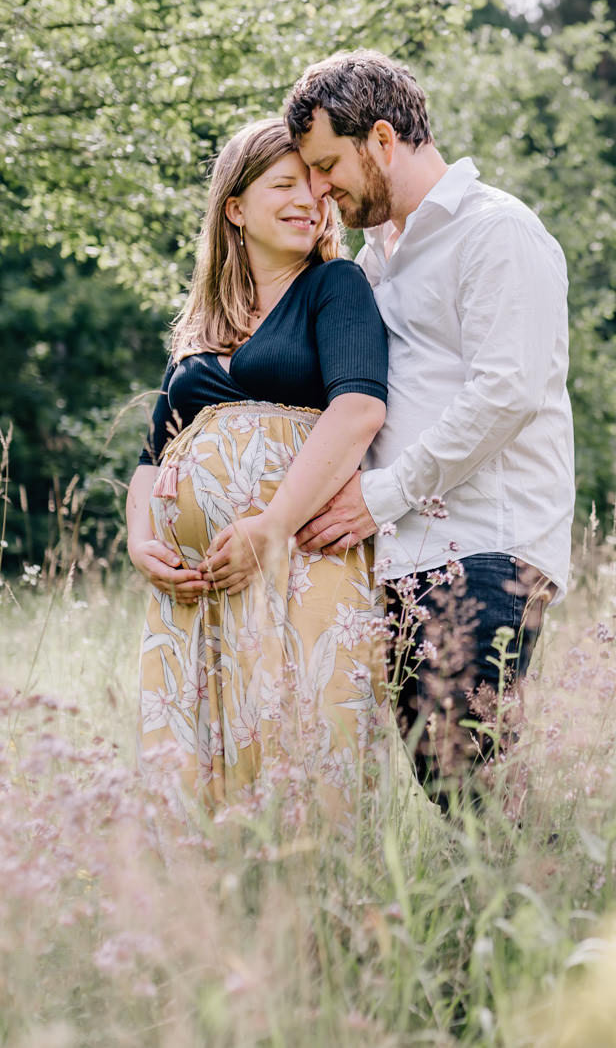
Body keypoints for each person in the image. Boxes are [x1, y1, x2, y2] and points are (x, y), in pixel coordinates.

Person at [283, 50, 574, 813]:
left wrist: (382, 494)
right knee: (453, 784)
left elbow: (506, 392)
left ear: (382, 138)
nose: (319, 188)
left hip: (487, 545)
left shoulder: (497, 232)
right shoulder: (377, 260)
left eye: (326, 164)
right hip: (403, 554)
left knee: (472, 779)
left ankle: (570, 921)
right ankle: (534, 918)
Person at [123, 117, 390, 822]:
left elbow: (359, 411)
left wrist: (270, 526)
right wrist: (140, 541)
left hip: (299, 563)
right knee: (201, 773)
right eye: (285, 184)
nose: (310, 199)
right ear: (234, 208)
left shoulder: (336, 287)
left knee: (306, 751)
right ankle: (219, 926)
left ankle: (313, 928)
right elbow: (152, 460)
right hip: (196, 592)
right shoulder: (201, 326)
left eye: (316, 185)